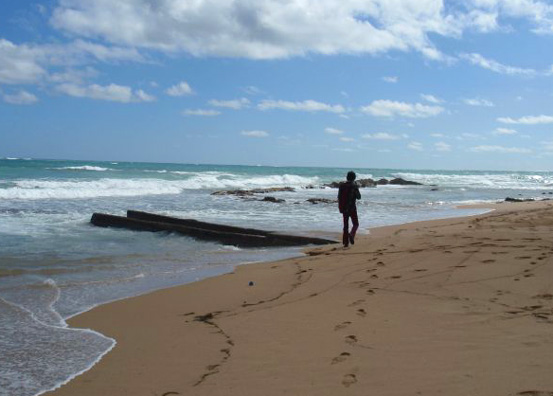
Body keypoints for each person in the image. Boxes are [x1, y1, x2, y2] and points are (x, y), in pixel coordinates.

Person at [338, 171, 361, 247]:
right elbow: (359, 197)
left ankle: (345, 243)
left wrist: (340, 207)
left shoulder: (342, 186)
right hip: (352, 208)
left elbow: (339, 197)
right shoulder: (354, 186)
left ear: (347, 177)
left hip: (344, 208)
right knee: (356, 224)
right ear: (354, 178)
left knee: (345, 226)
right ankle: (351, 234)